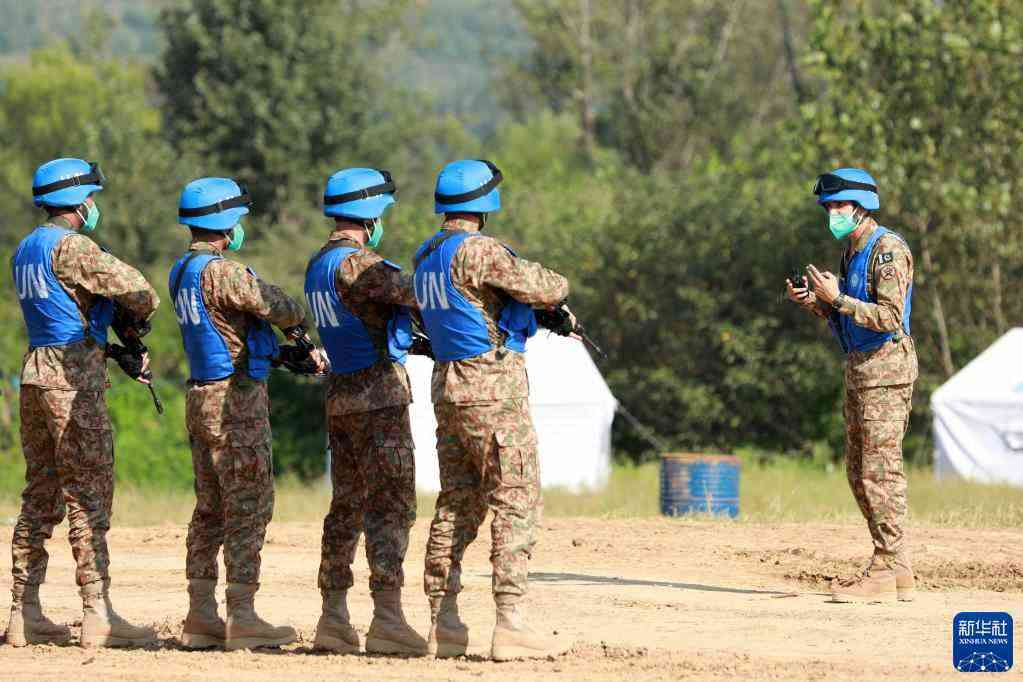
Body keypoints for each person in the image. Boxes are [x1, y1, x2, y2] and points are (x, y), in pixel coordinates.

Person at [415, 159, 572, 660]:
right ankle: (511, 622)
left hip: (447, 385)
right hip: (492, 387)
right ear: (485, 202)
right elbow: (549, 286)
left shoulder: (426, 254)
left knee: (456, 502)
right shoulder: (478, 250)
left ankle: (443, 621)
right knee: (515, 497)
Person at [7, 157, 160, 648]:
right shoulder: (73, 247)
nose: (93, 204)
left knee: (40, 494)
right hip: (74, 382)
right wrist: (125, 314)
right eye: (90, 197)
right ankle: (98, 612)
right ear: (76, 201)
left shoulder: (26, 248)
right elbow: (143, 293)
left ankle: (22, 613)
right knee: (88, 496)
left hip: (34, 375)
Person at [170, 177, 311, 650]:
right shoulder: (222, 272)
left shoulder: (181, 271)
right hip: (236, 401)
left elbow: (228, 331)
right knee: (249, 505)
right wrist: (295, 321)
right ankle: (243, 615)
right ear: (225, 222)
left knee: (209, 507)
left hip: (200, 395)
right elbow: (282, 307)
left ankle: (200, 615)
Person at [305, 168, 427, 655]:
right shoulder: (360, 264)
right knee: (391, 506)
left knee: (346, 507)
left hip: (340, 399)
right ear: (369, 213)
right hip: (379, 400)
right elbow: (420, 294)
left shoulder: (318, 263)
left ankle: (333, 617)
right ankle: (387, 618)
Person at [787, 167, 917, 603]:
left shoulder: (887, 250)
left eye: (840, 205)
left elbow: (890, 317)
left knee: (881, 472)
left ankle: (884, 568)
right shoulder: (852, 252)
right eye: (828, 207)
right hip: (861, 369)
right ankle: (897, 568)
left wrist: (838, 298)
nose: (833, 214)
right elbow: (848, 315)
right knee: (858, 472)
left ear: (862, 207)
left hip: (887, 371)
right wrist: (818, 303)